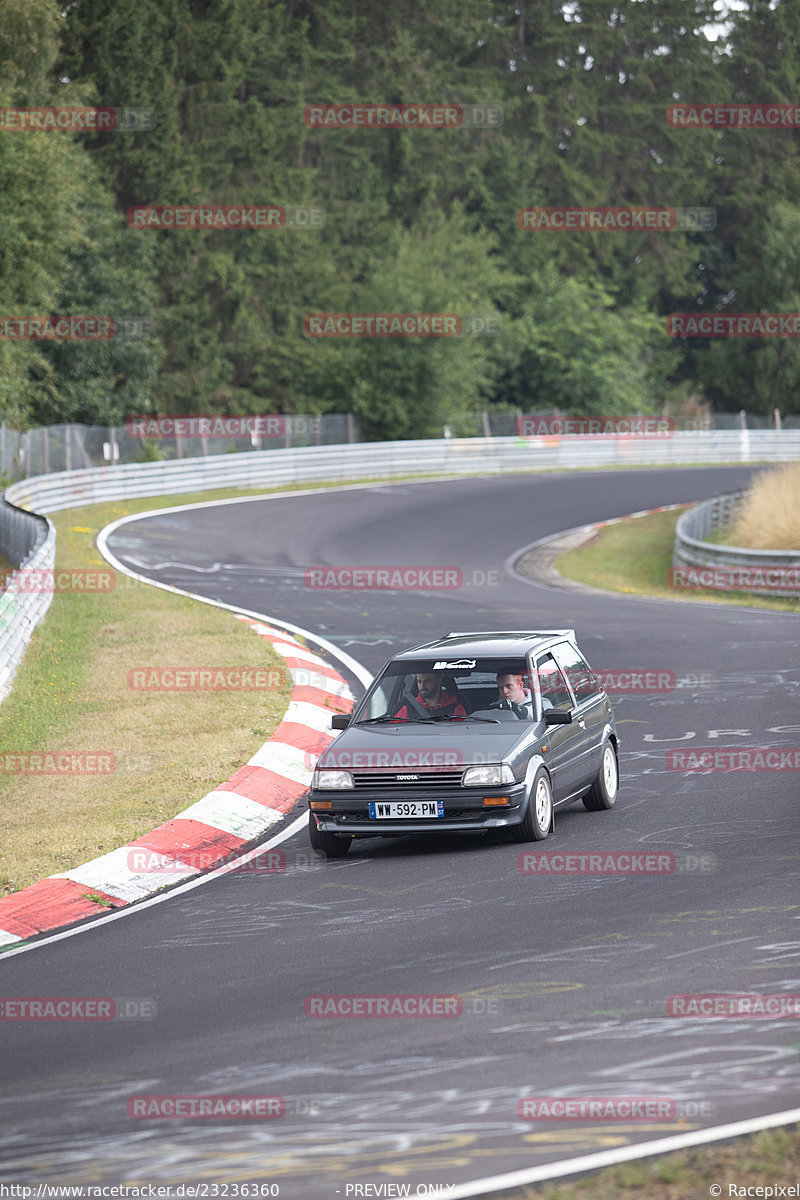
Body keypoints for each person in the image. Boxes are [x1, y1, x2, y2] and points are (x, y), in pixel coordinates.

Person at [393, 672, 466, 719]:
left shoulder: (455, 708)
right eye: (419, 682)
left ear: (439, 680)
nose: (422, 686)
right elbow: (394, 732)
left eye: (427, 681)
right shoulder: (407, 710)